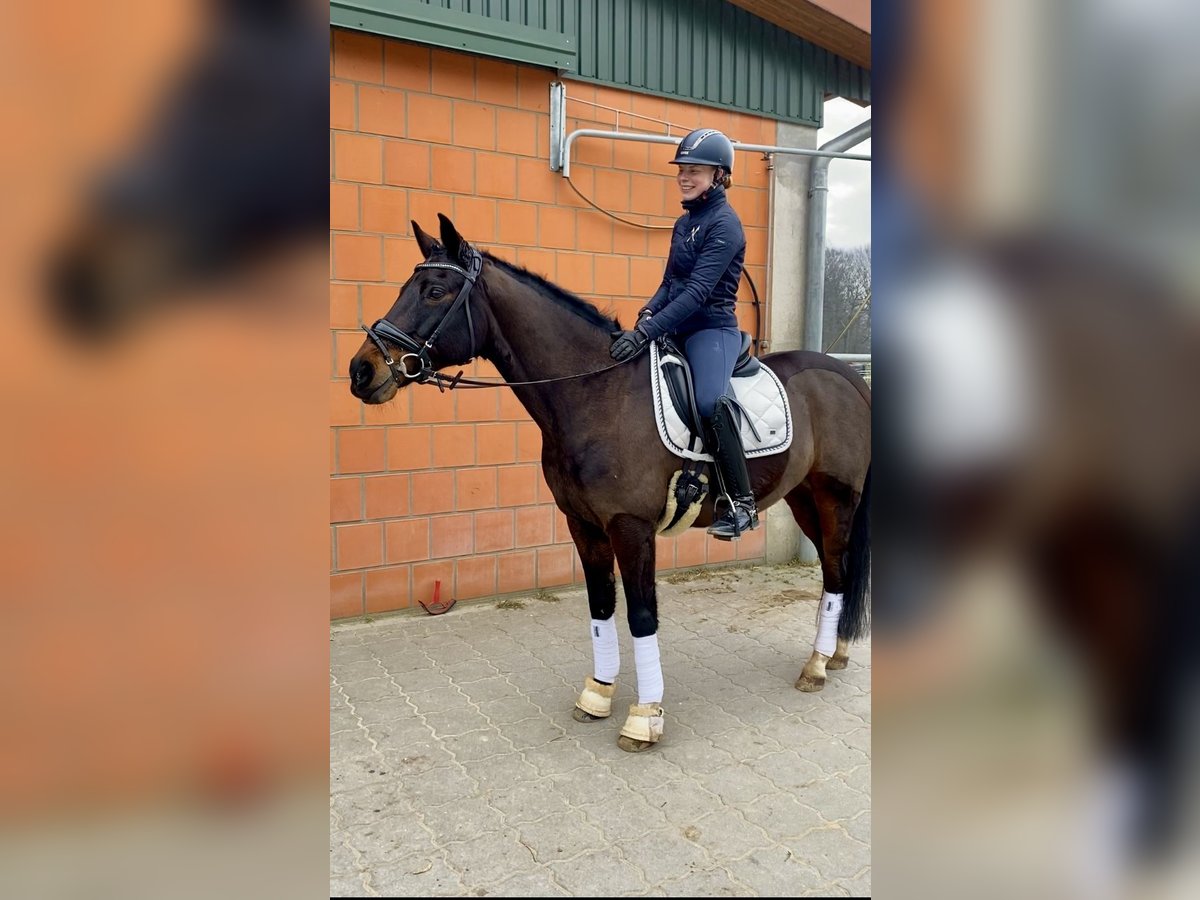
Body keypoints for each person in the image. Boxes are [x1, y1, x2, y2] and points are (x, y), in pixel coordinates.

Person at [609, 128, 758, 540]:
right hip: (674, 326)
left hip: (712, 330)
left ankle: (742, 503)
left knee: (710, 401)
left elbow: (695, 293)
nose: (684, 177)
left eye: (694, 171)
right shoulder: (684, 222)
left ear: (719, 175)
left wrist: (648, 331)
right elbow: (671, 282)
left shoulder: (726, 225)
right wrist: (645, 317)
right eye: (681, 171)